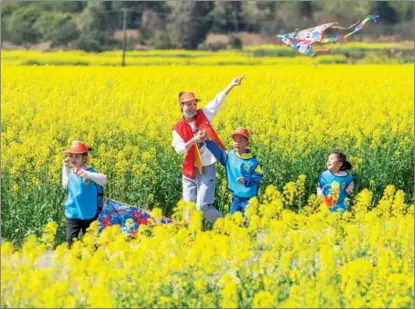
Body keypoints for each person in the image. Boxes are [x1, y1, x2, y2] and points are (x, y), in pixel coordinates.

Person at [172, 76, 244, 223]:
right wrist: (194, 140)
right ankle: (192, 237)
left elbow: (218, 101)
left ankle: (225, 227)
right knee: (188, 208)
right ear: (181, 107)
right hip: (189, 170)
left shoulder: (204, 114)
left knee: (203, 206)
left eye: (194, 104)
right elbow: (179, 149)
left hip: (207, 167)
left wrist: (231, 85)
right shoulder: (177, 128)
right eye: (188, 105)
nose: (192, 108)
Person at [202, 127, 264, 216]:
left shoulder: (252, 162)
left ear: (246, 143)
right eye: (235, 141)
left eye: (240, 141)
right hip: (236, 197)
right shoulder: (230, 155)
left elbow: (259, 175)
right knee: (232, 221)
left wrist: (246, 180)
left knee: (247, 222)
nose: (237, 143)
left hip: (249, 198)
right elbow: (218, 153)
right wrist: (207, 141)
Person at [62, 140, 107, 246]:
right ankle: (76, 261)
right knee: (70, 241)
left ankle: (94, 261)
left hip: (89, 213)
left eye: (77, 157)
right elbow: (65, 184)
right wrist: (65, 167)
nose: (73, 159)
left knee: (92, 244)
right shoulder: (72, 172)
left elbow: (104, 180)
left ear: (85, 158)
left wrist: (88, 175)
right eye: (71, 156)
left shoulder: (89, 171)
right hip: (72, 212)